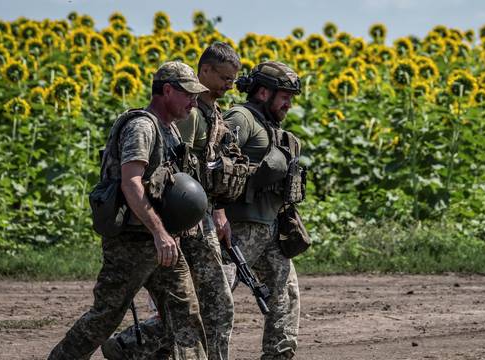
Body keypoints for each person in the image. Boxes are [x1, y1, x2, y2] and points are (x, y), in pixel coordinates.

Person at [47, 61, 209, 360]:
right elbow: (131, 183)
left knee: (186, 314)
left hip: (163, 243)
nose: (194, 101)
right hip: (132, 242)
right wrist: (159, 232)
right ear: (167, 90)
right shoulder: (142, 126)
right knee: (105, 318)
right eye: (189, 94)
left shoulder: (169, 129)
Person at [102, 42, 247, 360]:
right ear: (204, 71)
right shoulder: (187, 115)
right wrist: (169, 228)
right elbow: (170, 175)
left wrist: (219, 211)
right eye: (224, 77)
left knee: (194, 304)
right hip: (185, 221)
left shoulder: (209, 110)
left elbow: (204, 168)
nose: (228, 85)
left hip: (200, 216)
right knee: (206, 304)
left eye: (232, 80)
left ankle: (130, 347)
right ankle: (129, 345)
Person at [222, 61, 303, 360]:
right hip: (236, 230)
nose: (289, 104)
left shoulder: (271, 126)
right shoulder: (240, 118)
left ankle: (279, 355)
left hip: (270, 227)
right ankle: (135, 346)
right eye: (285, 96)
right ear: (263, 92)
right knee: (212, 301)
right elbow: (215, 167)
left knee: (286, 296)